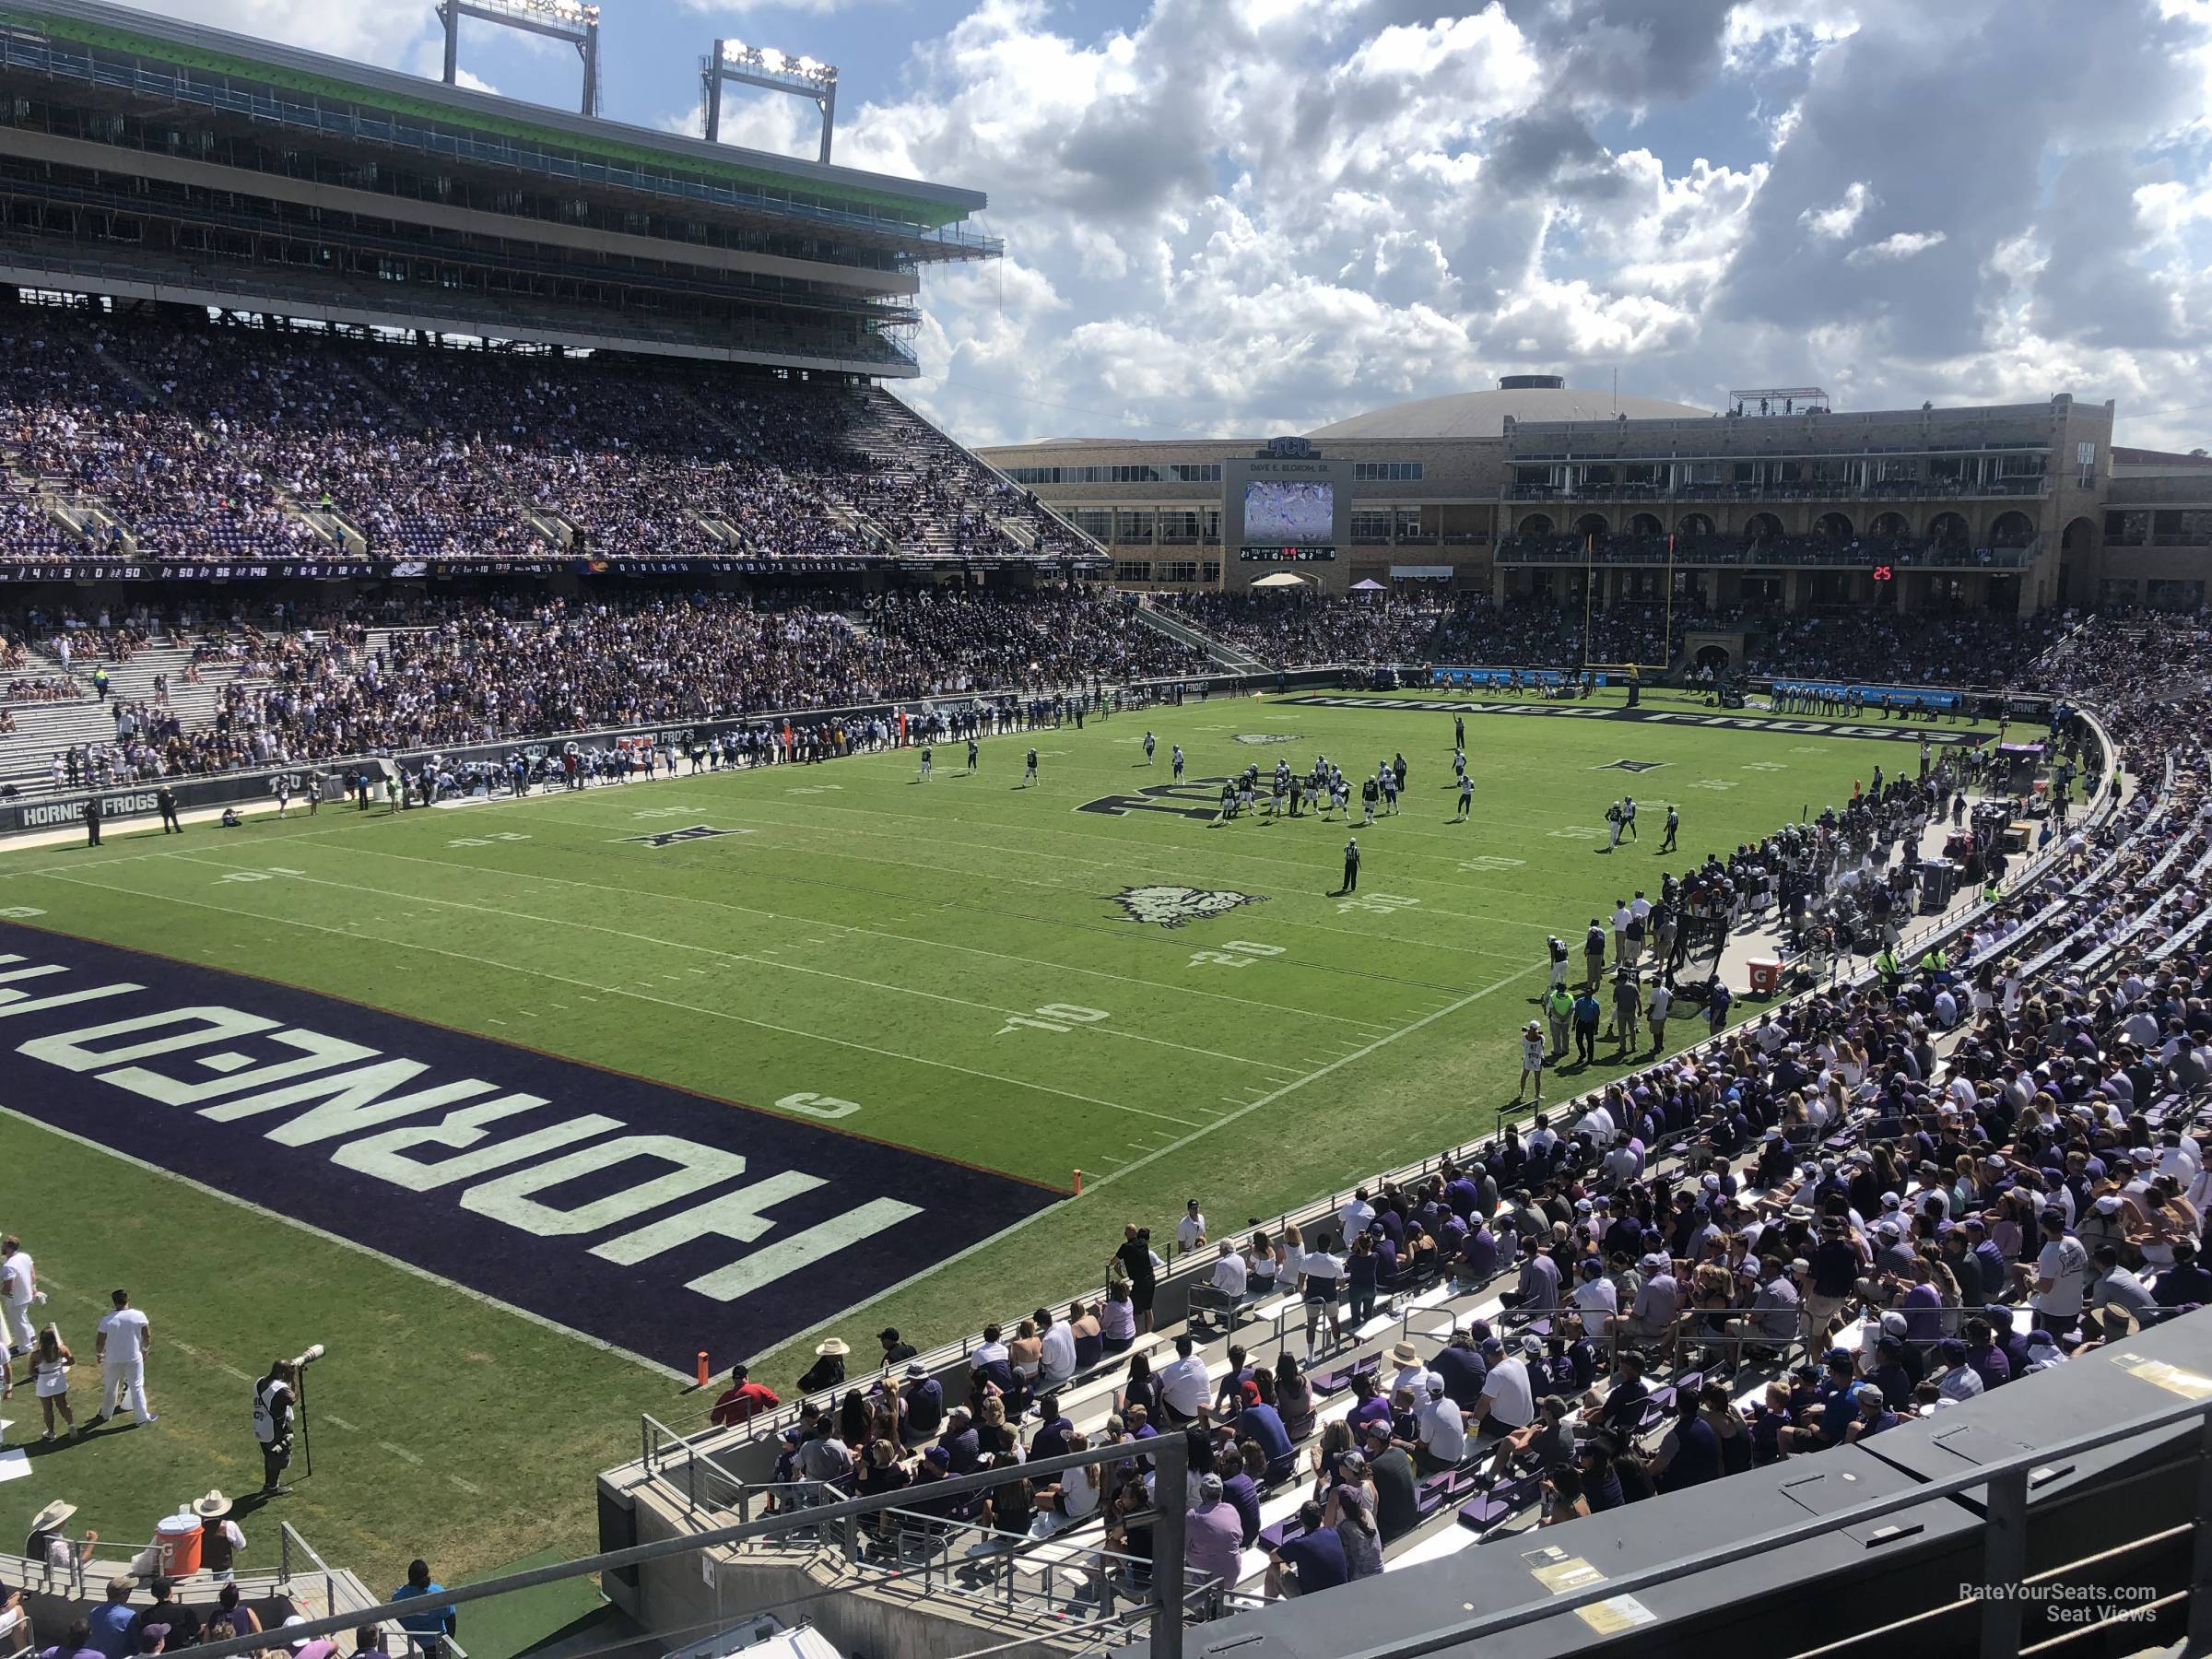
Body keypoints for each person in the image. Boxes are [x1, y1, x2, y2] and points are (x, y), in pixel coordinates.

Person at [89, 1288, 153, 1427]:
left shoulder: (107, 1321)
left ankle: (105, 1414)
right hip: (133, 1358)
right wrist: (145, 1349)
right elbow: (146, 1335)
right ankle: (141, 1417)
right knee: (137, 1387)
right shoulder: (139, 1315)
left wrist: (99, 1354)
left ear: (114, 1302)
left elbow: (100, 1342)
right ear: (127, 1300)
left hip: (112, 1359)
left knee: (110, 1387)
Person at [391, 1560, 456, 1652]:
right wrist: (448, 1643)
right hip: (437, 1645)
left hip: (410, 1646)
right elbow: (451, 1620)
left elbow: (394, 1622)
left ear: (410, 1577)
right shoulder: (438, 1593)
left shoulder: (400, 1595)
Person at [253, 1358, 297, 1495]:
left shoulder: (260, 1381)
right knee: (279, 1458)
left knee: (269, 1456)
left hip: (261, 1427)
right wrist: (293, 1379)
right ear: (282, 1374)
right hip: (274, 1429)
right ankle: (272, 1487)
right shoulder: (279, 1388)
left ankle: (269, 1484)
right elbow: (293, 1399)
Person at [29, 1324, 76, 1440]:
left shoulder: (36, 1355)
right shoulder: (62, 1349)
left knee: (47, 1409)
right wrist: (62, 1365)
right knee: (63, 1405)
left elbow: (31, 1372)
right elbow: (72, 1361)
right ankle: (71, 1426)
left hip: (44, 1383)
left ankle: (51, 1432)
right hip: (59, 1380)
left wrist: (37, 1372)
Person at [709, 1364, 779, 1428]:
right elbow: (774, 1403)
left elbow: (715, 1421)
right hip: (758, 1427)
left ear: (733, 1379)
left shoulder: (726, 1397)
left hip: (735, 1434)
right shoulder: (757, 1388)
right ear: (746, 1376)